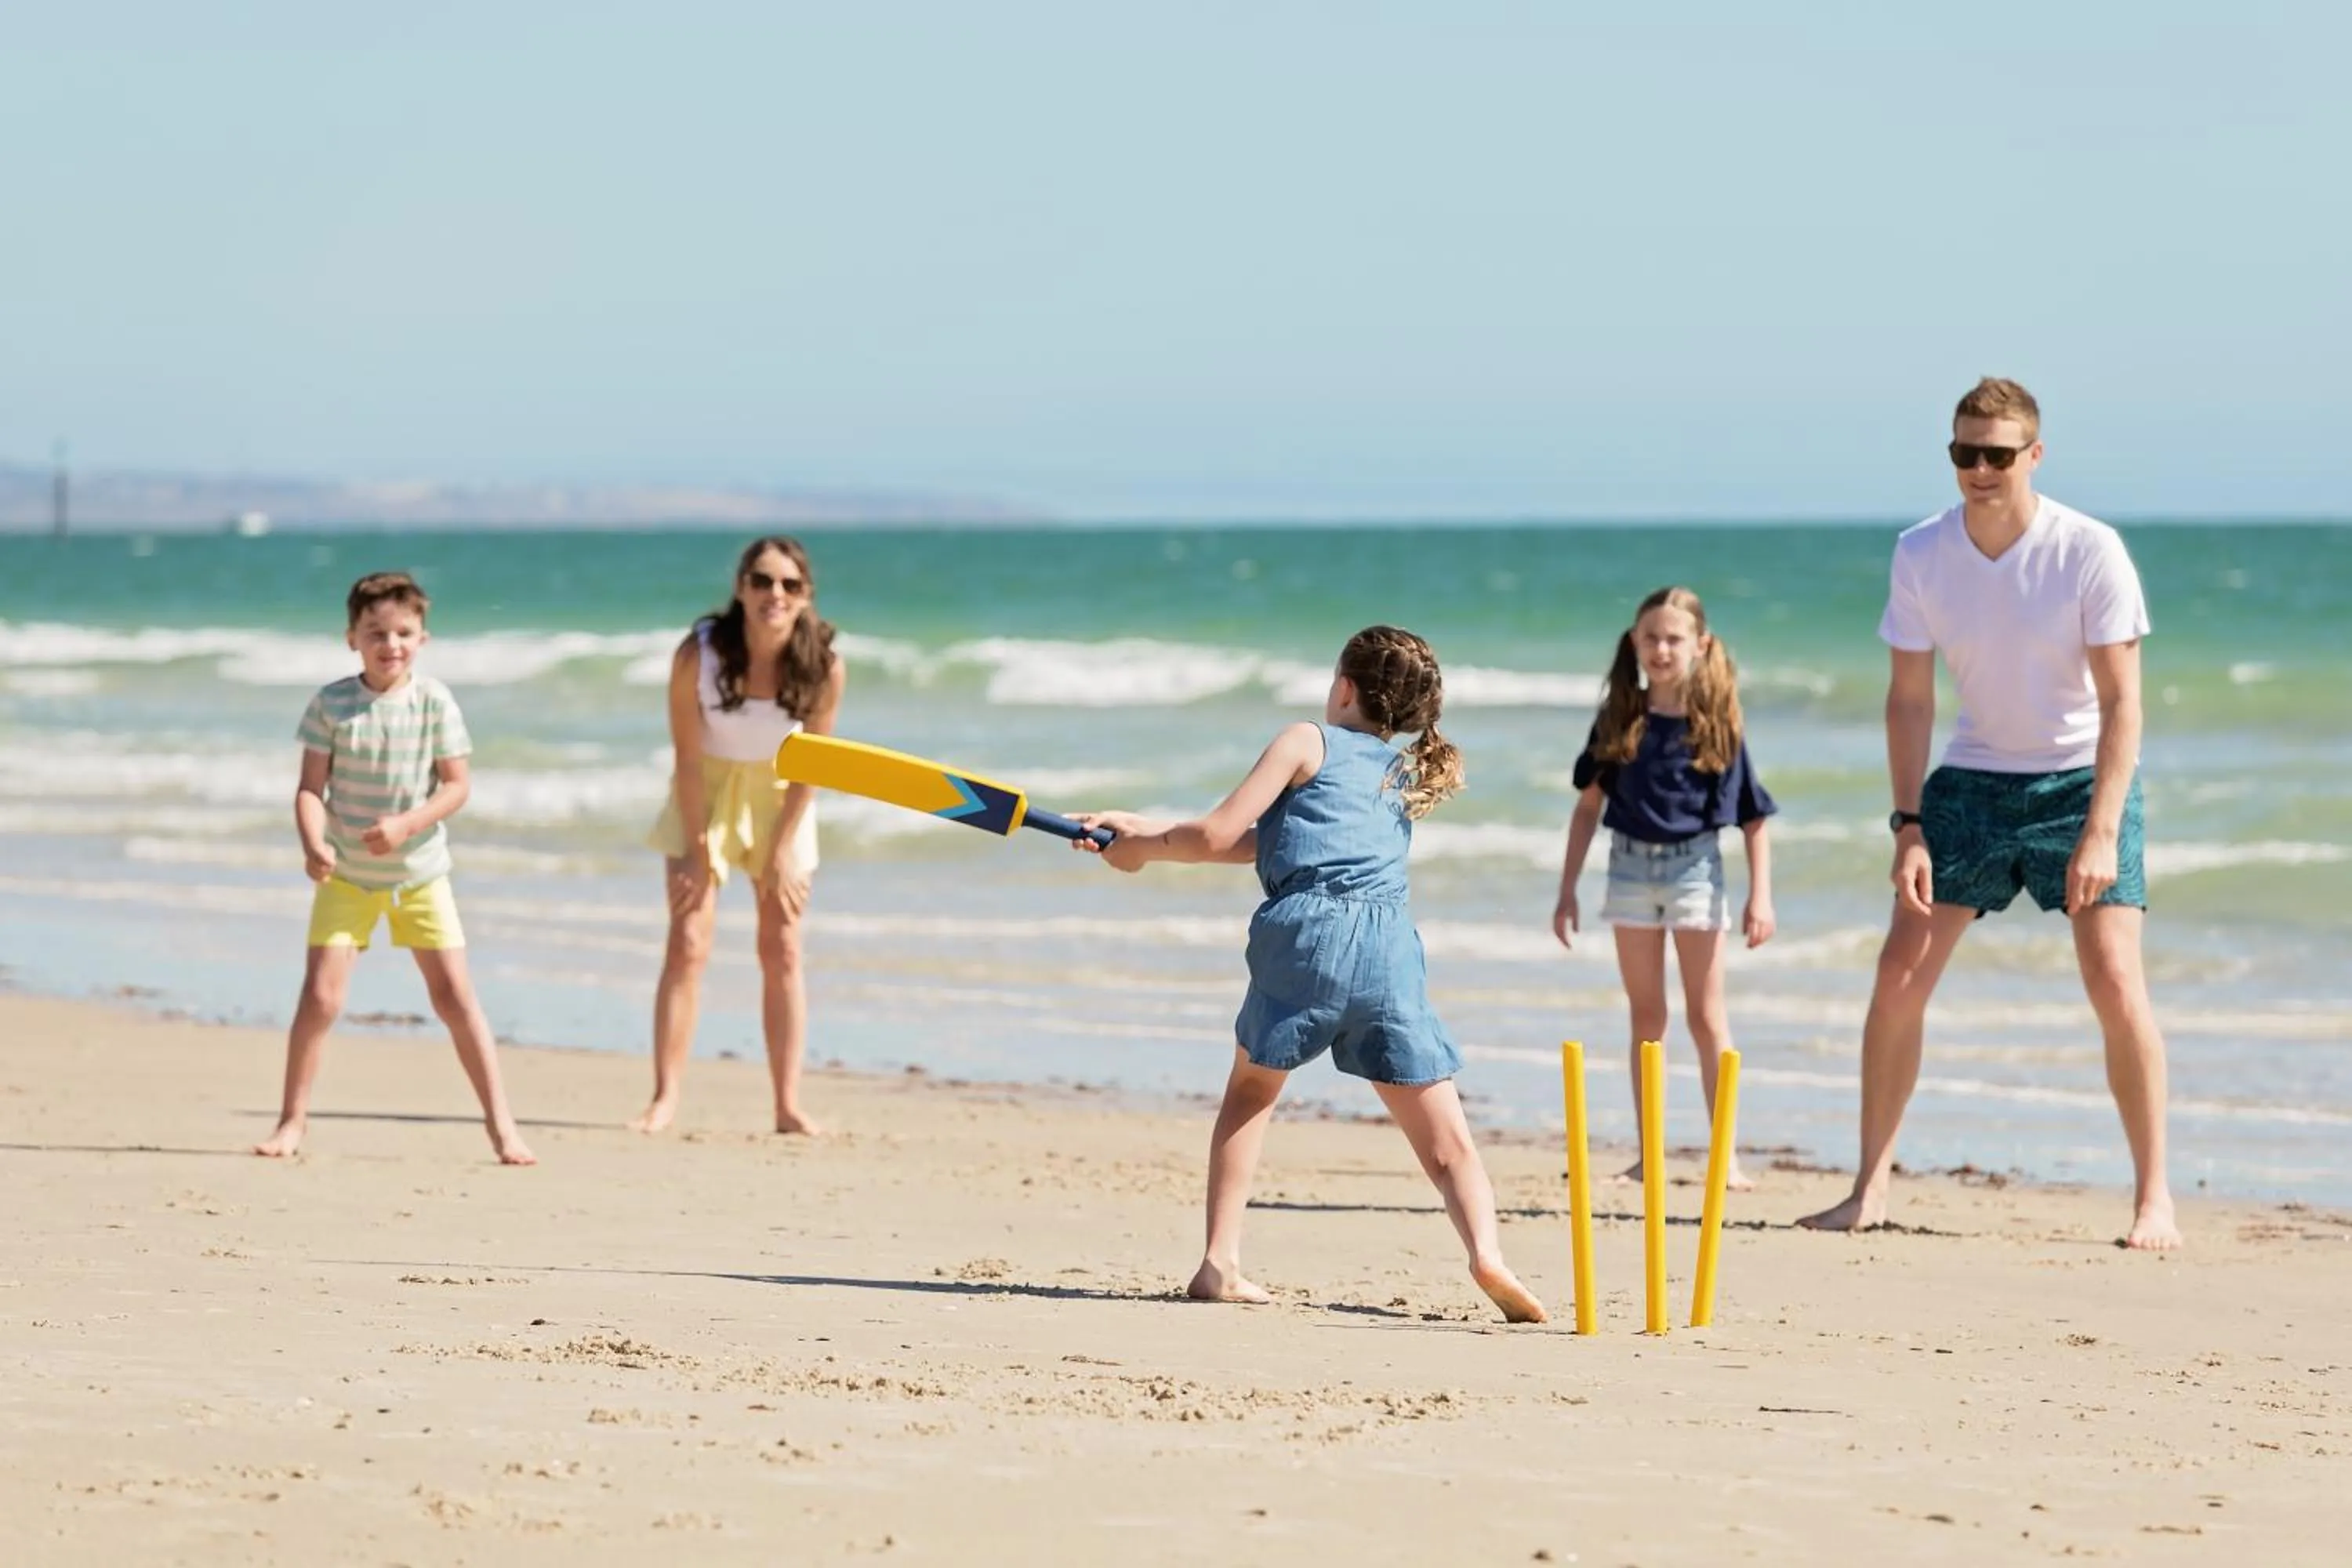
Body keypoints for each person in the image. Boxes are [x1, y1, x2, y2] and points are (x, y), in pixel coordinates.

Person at [1798, 377, 2180, 1249]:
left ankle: (2154, 1198)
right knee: (1898, 977)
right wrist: (1908, 824)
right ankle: (1869, 1187)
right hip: (1969, 779)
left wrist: (2099, 830)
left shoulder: (2090, 550)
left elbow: (2125, 705)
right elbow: (1908, 701)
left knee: (2116, 981)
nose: (1978, 468)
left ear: (2033, 456)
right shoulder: (1922, 552)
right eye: (1964, 452)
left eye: (1997, 454)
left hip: (2079, 781)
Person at [1073, 626, 1547, 1323]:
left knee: (1252, 1093)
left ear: (1345, 688)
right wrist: (1140, 828)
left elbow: (1212, 836)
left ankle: (1220, 1263)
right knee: (1446, 1137)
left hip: (1309, 935)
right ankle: (1487, 1254)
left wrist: (1141, 852)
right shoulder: (1400, 770)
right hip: (1389, 946)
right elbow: (1274, 841)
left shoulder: (1305, 739)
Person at [256, 572, 535, 1164]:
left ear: (424, 638)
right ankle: (291, 1122)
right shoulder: (332, 704)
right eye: (376, 633)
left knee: (456, 998)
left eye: (404, 632)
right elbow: (309, 789)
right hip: (347, 876)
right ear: (351, 638)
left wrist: (407, 825)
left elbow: (457, 786)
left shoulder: (435, 702)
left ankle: (502, 1126)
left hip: (420, 875)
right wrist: (314, 844)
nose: (391, 645)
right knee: (321, 1000)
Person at [1552, 586, 1776, 1189]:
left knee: (1707, 1017)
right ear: (1634, 643)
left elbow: (1754, 817)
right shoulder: (1621, 715)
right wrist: (1567, 889)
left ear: (1700, 645)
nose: (1661, 648)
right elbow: (1586, 809)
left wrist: (1761, 897)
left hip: (1696, 872)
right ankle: (1650, 1153)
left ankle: (1724, 1155)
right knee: (1647, 1018)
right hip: (1628, 871)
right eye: (1650, 637)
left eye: (1674, 638)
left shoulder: (1719, 720)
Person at [635, 536, 844, 1135]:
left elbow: (814, 766)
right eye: (761, 581)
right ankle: (665, 1098)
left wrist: (781, 849)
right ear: (740, 587)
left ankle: (786, 1105)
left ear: (806, 597)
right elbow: (687, 755)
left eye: (788, 585)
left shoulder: (825, 665)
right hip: (706, 788)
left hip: (785, 797)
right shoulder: (697, 654)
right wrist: (699, 849)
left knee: (781, 946)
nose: (773, 595)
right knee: (688, 940)